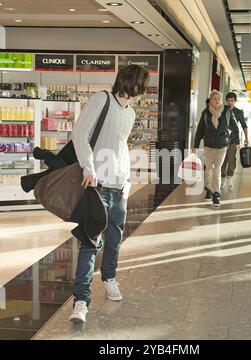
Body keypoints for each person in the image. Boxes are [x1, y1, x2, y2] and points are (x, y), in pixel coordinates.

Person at [69, 65, 149, 323]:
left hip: (119, 187)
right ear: (131, 83)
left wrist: (127, 180)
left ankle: (109, 278)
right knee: (90, 243)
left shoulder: (131, 113)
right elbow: (80, 134)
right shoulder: (101, 99)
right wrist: (88, 169)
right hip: (97, 186)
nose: (143, 92)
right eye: (142, 86)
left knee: (114, 239)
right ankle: (81, 301)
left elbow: (121, 146)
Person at [193, 90, 240, 208]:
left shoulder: (227, 112)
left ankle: (216, 194)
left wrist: (237, 141)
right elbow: (199, 131)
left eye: (219, 98)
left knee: (217, 169)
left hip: (222, 145)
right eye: (215, 99)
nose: (217, 101)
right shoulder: (206, 113)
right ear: (211, 100)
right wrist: (195, 145)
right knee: (208, 168)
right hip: (208, 145)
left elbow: (235, 127)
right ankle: (208, 188)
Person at [221, 92, 249, 190]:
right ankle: (223, 177)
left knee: (231, 159)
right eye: (228, 100)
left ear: (235, 101)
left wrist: (246, 138)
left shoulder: (238, 112)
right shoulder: (222, 110)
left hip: (233, 140)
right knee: (222, 160)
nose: (230, 103)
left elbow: (244, 125)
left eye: (232, 101)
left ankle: (230, 178)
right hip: (221, 140)